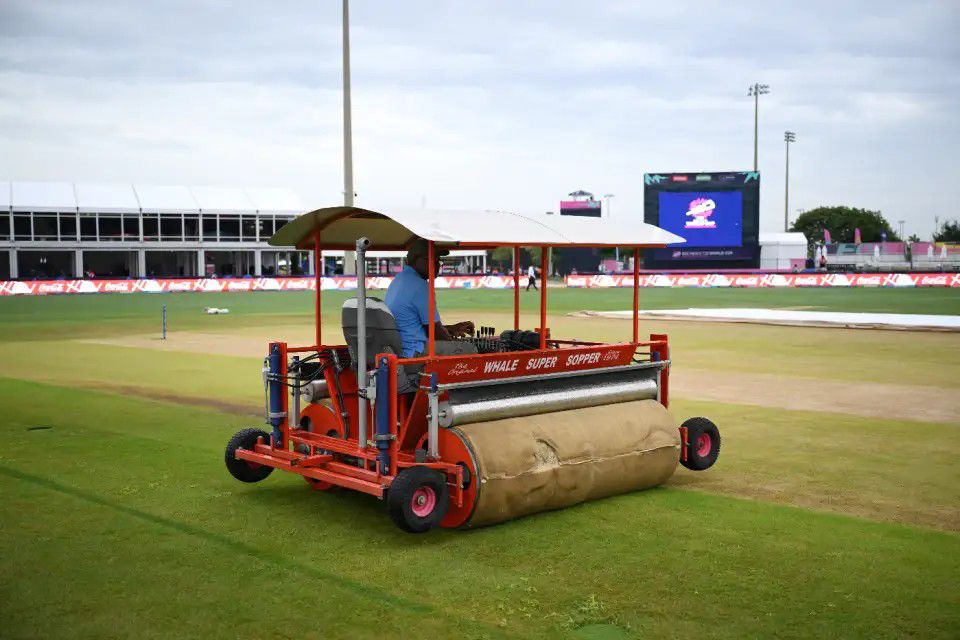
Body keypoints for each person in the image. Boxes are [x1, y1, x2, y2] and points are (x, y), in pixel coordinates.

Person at [384, 238, 476, 358]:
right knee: (470, 348)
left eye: (438, 260)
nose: (437, 264)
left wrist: (452, 328)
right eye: (433, 259)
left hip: (402, 348)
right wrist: (454, 343)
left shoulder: (399, 279)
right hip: (414, 352)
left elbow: (424, 328)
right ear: (417, 260)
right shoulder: (420, 285)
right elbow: (436, 333)